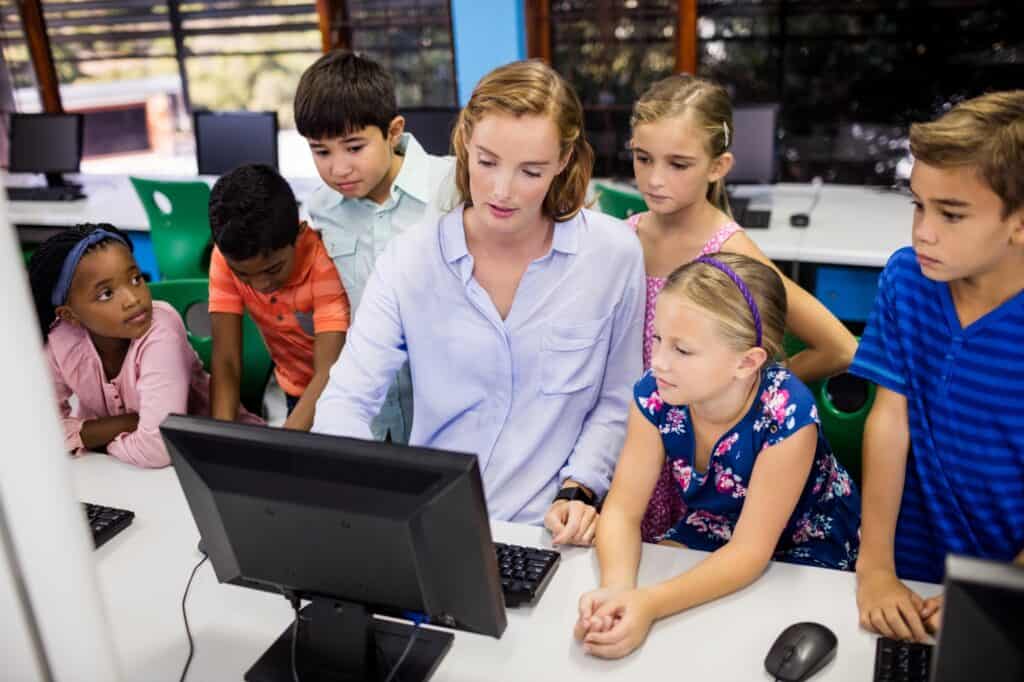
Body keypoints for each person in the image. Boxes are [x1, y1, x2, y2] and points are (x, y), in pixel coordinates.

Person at [313, 60, 645, 545]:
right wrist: (372, 500)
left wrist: (581, 487)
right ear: (466, 140)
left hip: (551, 534)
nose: (502, 191)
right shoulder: (410, 258)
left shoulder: (613, 256)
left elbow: (618, 399)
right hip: (434, 526)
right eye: (487, 162)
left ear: (564, 159)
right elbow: (346, 399)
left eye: (531, 171)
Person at [574, 253, 860, 660]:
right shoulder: (656, 393)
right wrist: (618, 589)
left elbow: (748, 554)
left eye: (682, 350)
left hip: (806, 547)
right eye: (657, 339)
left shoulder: (786, 415)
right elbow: (621, 511)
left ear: (747, 362)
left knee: (739, 650)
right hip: (716, 528)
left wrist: (650, 604)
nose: (658, 361)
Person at [626, 74, 859, 541]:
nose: (654, 178)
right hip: (646, 442)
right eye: (642, 158)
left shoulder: (730, 252)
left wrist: (748, 393)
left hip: (706, 470)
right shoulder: (625, 235)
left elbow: (839, 347)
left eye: (678, 164)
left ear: (719, 166)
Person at [851, 90, 1024, 643]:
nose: (923, 231)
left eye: (951, 214)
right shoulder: (906, 280)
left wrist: (997, 596)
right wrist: (875, 568)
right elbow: (889, 421)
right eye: (918, 205)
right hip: (908, 571)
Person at [298, 50, 456, 443]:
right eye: (321, 151)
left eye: (354, 147)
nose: (339, 168)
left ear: (393, 131)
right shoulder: (322, 208)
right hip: (374, 414)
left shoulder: (452, 186)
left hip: (445, 410)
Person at [29, 223, 260, 468]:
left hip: (228, 460)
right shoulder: (59, 338)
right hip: (136, 474)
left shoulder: (160, 328)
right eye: (106, 294)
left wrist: (95, 439)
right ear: (69, 316)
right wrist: (128, 423)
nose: (133, 299)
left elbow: (158, 449)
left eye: (136, 278)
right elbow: (39, 429)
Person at [208, 164, 350, 431]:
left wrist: (282, 445)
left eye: (273, 269)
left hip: (343, 390)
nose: (261, 285)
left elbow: (330, 371)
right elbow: (226, 359)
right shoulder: (224, 259)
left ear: (298, 235)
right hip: (295, 390)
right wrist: (220, 438)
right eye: (244, 275)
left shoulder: (323, 265)